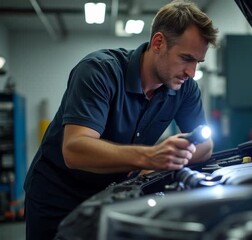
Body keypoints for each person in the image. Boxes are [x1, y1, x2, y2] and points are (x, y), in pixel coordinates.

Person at [23, 0, 218, 239]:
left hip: (116, 193)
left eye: (198, 62)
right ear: (158, 43)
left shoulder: (185, 88)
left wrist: (165, 159)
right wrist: (149, 157)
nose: (191, 72)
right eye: (186, 58)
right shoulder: (99, 71)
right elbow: (74, 149)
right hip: (59, 196)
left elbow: (205, 145)